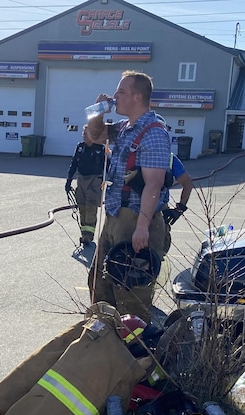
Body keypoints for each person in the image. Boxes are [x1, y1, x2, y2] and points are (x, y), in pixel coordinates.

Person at [83, 71, 171, 323]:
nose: (115, 96)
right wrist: (98, 111)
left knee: (131, 294)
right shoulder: (125, 129)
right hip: (114, 218)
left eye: (120, 92)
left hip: (135, 220)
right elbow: (94, 136)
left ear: (137, 96)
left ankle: (135, 354)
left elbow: (153, 184)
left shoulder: (153, 132)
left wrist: (142, 228)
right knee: (100, 285)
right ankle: (103, 345)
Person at [65, 132, 107, 245]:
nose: (84, 137)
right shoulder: (80, 147)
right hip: (82, 179)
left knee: (91, 207)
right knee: (82, 207)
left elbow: (107, 165)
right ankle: (84, 234)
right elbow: (74, 164)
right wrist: (68, 181)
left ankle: (89, 236)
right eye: (83, 135)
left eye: (86, 135)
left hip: (95, 180)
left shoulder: (100, 148)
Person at [161, 153, 195, 254]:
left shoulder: (169, 158)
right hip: (130, 211)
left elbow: (187, 183)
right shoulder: (129, 153)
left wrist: (180, 209)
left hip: (158, 212)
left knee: (159, 249)